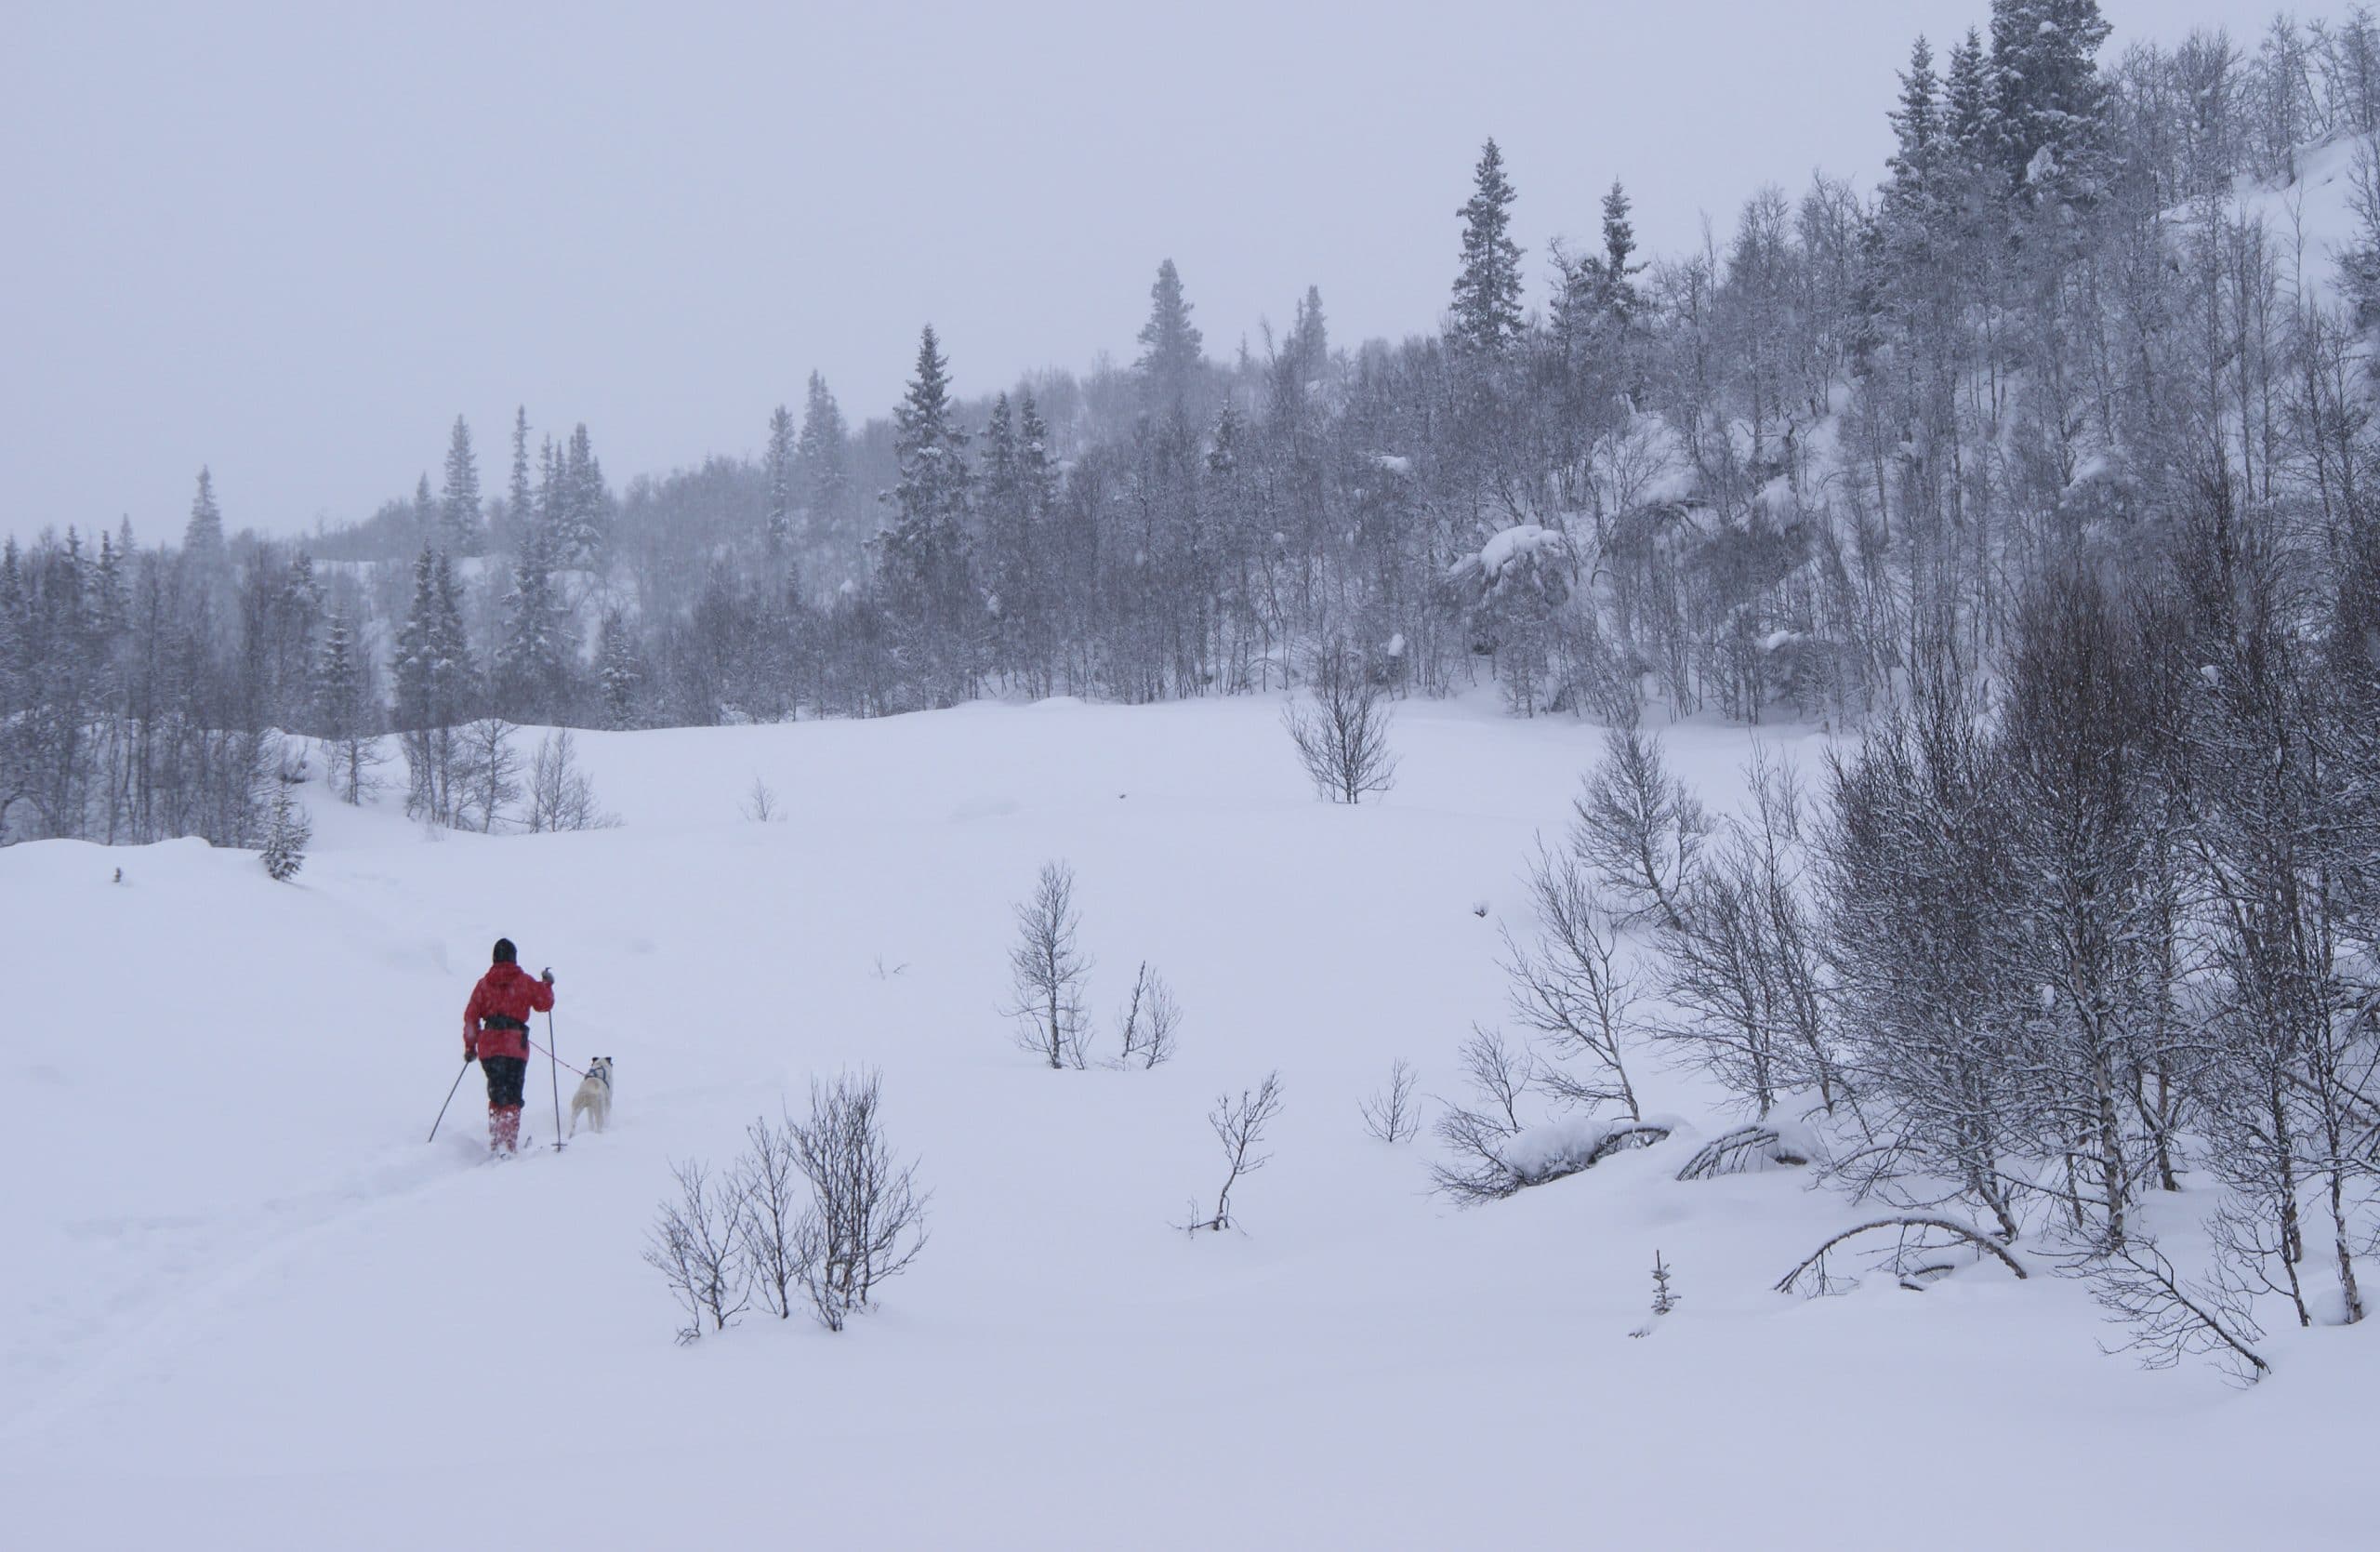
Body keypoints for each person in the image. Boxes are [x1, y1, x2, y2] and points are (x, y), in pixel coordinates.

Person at [463, 937, 555, 1154]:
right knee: (513, 1094)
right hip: (515, 1047)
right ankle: (508, 1142)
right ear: (514, 957)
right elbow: (545, 1003)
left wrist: (470, 1047)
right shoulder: (524, 981)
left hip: (490, 1047)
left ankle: (497, 1139)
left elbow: (470, 1017)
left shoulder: (483, 985)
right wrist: (547, 984)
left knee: (497, 1093)